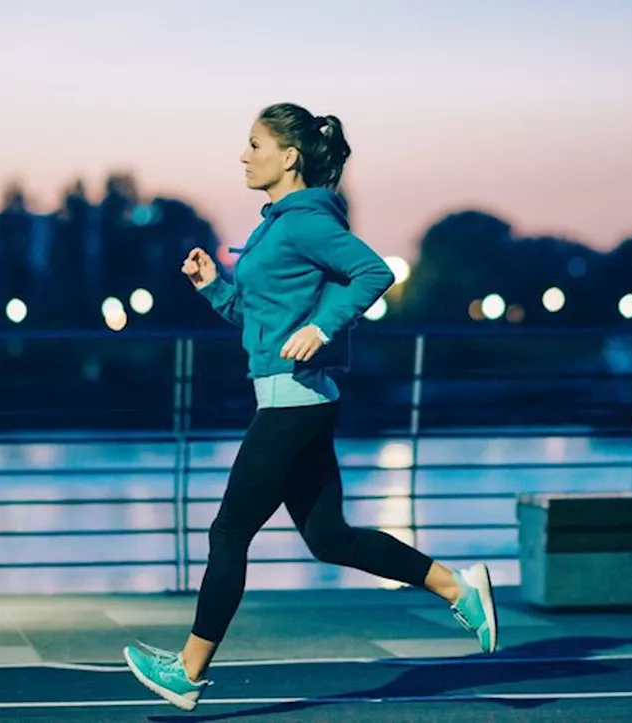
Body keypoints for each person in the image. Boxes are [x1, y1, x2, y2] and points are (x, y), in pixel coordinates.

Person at [122, 102, 498, 711]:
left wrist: (323, 328)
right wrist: (212, 286)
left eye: (254, 144)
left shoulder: (305, 223)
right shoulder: (276, 226)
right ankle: (457, 587)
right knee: (328, 538)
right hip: (295, 399)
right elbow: (261, 321)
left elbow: (372, 274)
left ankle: (188, 672)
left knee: (228, 533)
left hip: (293, 404)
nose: (243, 156)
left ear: (288, 157)